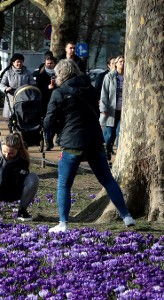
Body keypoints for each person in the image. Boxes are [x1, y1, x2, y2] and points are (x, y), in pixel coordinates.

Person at [43, 59, 135, 233]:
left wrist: (56, 131)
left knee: (64, 184)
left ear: (61, 74)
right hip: (94, 140)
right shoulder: (90, 89)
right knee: (107, 180)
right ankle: (126, 215)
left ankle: (63, 223)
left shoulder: (59, 93)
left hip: (72, 142)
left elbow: (48, 121)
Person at [99, 54, 124, 161]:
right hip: (111, 111)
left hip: (124, 112)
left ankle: (119, 156)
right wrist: (103, 109)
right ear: (116, 64)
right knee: (109, 135)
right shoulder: (109, 77)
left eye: (124, 61)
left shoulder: (130, 76)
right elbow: (104, 93)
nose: (123, 63)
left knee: (120, 134)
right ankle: (107, 151)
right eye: (120, 61)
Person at [0, 53, 34, 120]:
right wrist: (6, 89)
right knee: (12, 119)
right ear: (13, 63)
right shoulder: (8, 73)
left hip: (24, 99)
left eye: (21, 62)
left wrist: (28, 88)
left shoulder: (28, 73)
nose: (19, 63)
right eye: (17, 62)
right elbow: (1, 84)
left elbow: (32, 84)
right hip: (11, 99)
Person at [35, 54, 58, 149]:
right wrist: (47, 88)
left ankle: (52, 137)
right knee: (47, 122)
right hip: (45, 102)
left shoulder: (58, 75)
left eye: (51, 63)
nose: (49, 65)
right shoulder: (41, 76)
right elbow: (38, 89)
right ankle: (48, 141)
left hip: (57, 101)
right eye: (47, 63)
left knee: (55, 122)